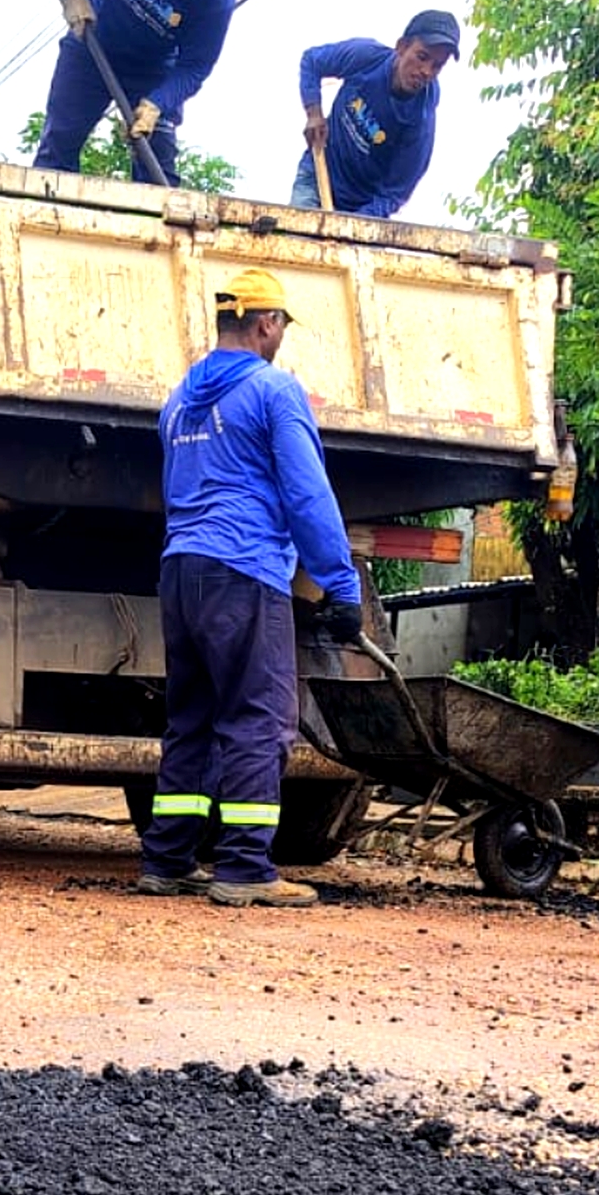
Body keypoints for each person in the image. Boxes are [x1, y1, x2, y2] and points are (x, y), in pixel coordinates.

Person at [136, 268, 363, 908]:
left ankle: (168, 859)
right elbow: (306, 493)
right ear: (266, 323)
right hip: (242, 572)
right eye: (283, 325)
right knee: (258, 719)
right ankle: (243, 869)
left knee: (192, 719)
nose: (282, 336)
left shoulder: (179, 399)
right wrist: (341, 586)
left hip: (180, 571)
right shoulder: (272, 392)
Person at [36, 0, 243, 182]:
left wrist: (158, 103)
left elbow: (195, 66)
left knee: (158, 171)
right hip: (93, 42)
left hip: (153, 71)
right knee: (58, 147)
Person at [291, 11, 459, 219]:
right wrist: (314, 113)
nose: (426, 71)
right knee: (298, 237)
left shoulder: (420, 121)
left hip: (361, 207)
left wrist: (353, 226)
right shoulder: (366, 57)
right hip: (319, 171)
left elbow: (394, 194)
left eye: (437, 66)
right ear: (402, 47)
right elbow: (312, 61)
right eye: (422, 57)